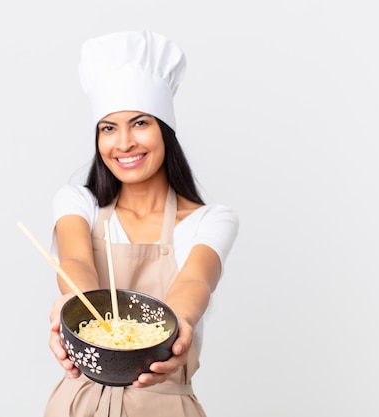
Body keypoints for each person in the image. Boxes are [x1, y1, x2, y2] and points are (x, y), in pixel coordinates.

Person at [43, 30, 239, 417]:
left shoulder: (210, 220)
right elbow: (76, 262)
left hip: (164, 405)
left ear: (165, 130)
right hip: (78, 404)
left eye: (140, 123)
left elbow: (195, 281)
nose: (124, 143)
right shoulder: (78, 202)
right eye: (108, 128)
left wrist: (176, 325)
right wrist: (74, 307)